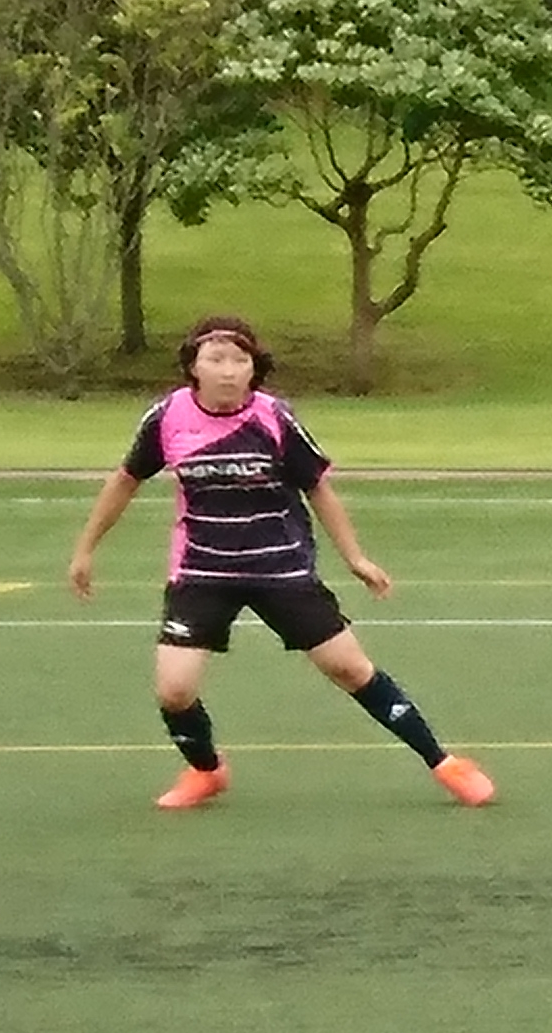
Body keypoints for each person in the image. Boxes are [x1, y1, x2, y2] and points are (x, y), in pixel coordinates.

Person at [64, 315, 497, 810]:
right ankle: (206, 771)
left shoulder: (274, 417)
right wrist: (86, 548)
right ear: (193, 367)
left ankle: (445, 763)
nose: (228, 370)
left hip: (281, 569)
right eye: (216, 359)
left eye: (239, 360)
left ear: (254, 369)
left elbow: (318, 488)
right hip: (202, 572)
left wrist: (354, 557)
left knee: (350, 669)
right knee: (174, 691)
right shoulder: (166, 418)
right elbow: (125, 480)